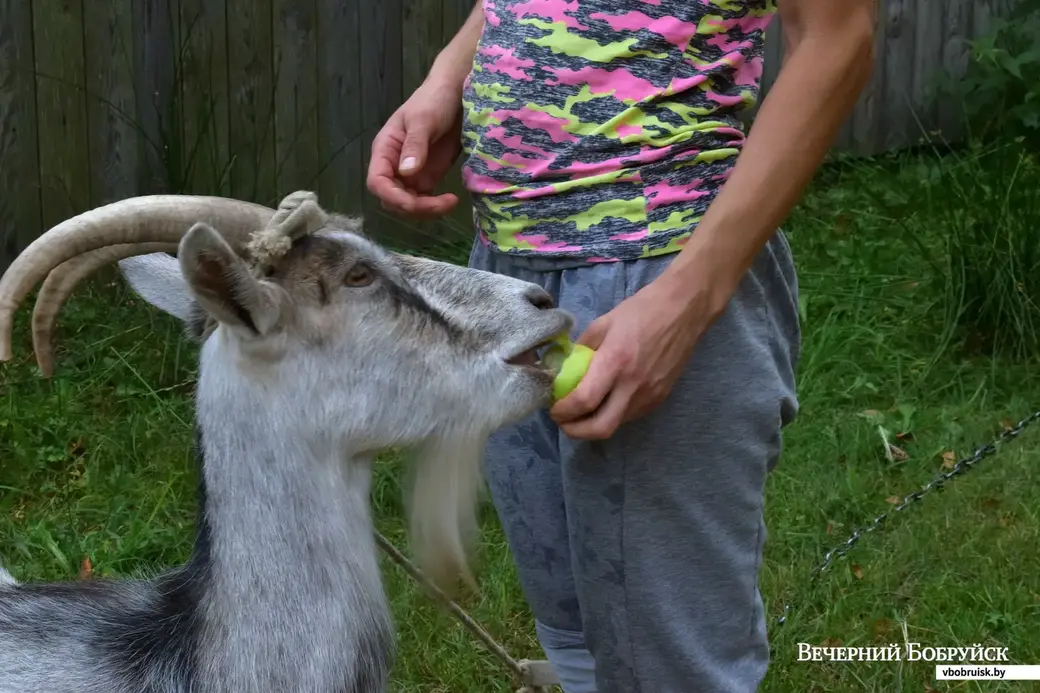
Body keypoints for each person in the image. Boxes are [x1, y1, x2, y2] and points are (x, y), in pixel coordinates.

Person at [367, 1, 875, 691]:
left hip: (659, 268)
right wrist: (448, 76)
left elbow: (836, 39)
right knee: (575, 633)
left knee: (669, 665)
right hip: (507, 269)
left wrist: (683, 304)